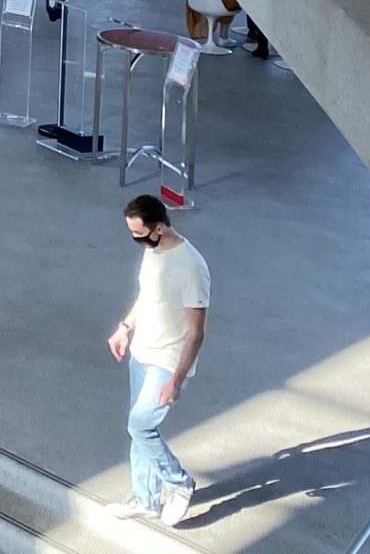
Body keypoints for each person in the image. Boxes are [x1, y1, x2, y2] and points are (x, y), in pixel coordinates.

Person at [106, 194, 209, 525]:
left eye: (139, 234)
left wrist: (175, 380)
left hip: (167, 360)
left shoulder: (192, 267)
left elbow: (195, 333)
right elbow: (147, 295)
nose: (135, 240)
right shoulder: (153, 252)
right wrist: (125, 327)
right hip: (142, 352)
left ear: (160, 228)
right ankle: (146, 499)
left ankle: (179, 483)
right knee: (140, 431)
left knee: (140, 424)